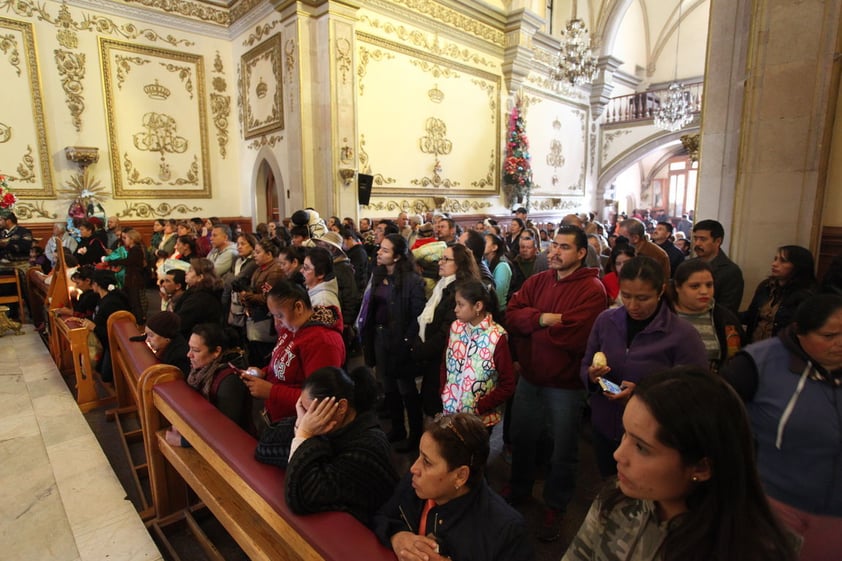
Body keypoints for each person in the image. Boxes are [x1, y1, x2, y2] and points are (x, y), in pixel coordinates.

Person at [563, 367, 796, 561]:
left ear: (702, 467)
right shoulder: (615, 500)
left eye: (642, 447)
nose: (618, 455)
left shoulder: (751, 551)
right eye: (626, 434)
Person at [506, 224, 608, 541]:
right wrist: (543, 319)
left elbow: (575, 335)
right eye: (553, 245)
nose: (554, 252)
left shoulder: (592, 289)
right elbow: (511, 315)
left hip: (565, 384)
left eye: (564, 247)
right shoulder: (538, 280)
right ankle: (519, 490)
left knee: (562, 449)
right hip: (531, 377)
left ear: (580, 253)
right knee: (522, 438)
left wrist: (532, 324)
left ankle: (556, 505)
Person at [722, 293, 842, 561]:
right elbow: (720, 422)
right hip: (774, 501)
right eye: (829, 336)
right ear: (800, 333)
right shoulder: (757, 364)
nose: (840, 344)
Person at [582, 255, 707, 478]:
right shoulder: (606, 321)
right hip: (604, 426)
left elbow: (695, 393)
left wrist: (641, 397)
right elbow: (585, 364)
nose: (632, 305)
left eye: (642, 298)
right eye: (626, 296)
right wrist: (591, 376)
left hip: (651, 437)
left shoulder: (682, 334)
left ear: (660, 292)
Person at [374, 413, 533, 561]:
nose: (413, 468)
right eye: (419, 455)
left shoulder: (507, 532)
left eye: (427, 462)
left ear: (460, 476)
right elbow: (383, 515)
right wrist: (397, 535)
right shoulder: (415, 483)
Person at [283, 366, 399, 526]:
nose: (306, 418)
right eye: (303, 411)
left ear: (342, 407)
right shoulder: (333, 430)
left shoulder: (366, 447)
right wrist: (300, 428)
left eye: (310, 412)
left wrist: (304, 434)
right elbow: (266, 445)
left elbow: (300, 496)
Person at [240, 281, 345, 423]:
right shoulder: (293, 327)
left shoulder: (323, 342)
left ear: (299, 307)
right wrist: (264, 372)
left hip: (298, 424)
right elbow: (285, 363)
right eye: (274, 316)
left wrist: (271, 391)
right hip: (278, 418)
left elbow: (319, 400)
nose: (277, 322)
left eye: (280, 315)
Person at [415, 244, 481, 420]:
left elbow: (447, 331)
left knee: (440, 411)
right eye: (440, 258)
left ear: (459, 264)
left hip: (444, 360)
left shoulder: (460, 291)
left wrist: (420, 350)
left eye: (446, 259)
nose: (440, 263)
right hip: (433, 357)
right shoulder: (443, 285)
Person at [440, 280, 514, 428]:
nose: (455, 309)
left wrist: (479, 406)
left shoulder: (496, 337)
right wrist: (444, 392)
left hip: (479, 420)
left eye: (461, 304)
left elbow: (508, 384)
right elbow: (445, 364)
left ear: (478, 306)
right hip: (451, 412)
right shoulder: (456, 328)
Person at [166, 323, 251, 446]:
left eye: (196, 350)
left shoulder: (229, 381)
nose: (188, 355)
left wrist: (184, 442)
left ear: (216, 351)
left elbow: (226, 430)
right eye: (189, 348)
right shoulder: (200, 371)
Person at [671, 259, 745, 374]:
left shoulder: (725, 318)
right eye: (695, 286)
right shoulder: (664, 316)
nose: (704, 291)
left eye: (709, 285)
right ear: (677, 287)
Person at [740, 245, 817, 344]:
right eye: (775, 259)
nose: (774, 264)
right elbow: (751, 315)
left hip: (781, 351)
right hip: (754, 346)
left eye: (783, 261)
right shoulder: (766, 286)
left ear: (798, 266)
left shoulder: (805, 296)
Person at [68, 269, 130, 383]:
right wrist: (82, 320)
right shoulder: (103, 299)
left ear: (96, 284)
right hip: (105, 341)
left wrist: (94, 328)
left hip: (114, 344)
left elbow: (116, 331)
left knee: (105, 375)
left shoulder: (112, 302)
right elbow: (97, 318)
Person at [239, 239, 284, 367]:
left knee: (263, 354)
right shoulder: (260, 269)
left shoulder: (274, 271)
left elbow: (268, 298)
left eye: (258, 252)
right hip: (256, 316)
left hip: (265, 318)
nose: (254, 255)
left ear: (269, 254)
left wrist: (247, 296)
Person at [691, 219, 744, 314]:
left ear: (718, 241)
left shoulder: (731, 272)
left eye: (703, 239)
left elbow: (727, 310)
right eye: (695, 238)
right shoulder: (688, 266)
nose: (697, 243)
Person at [173, 258, 223, 338]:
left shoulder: (200, 299)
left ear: (200, 277)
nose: (186, 273)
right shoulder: (197, 293)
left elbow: (181, 323)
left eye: (190, 271)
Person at [107, 229, 147, 324]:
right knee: (130, 298)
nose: (124, 240)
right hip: (131, 277)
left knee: (135, 300)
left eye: (126, 238)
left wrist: (116, 262)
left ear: (132, 239)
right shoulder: (134, 249)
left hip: (134, 278)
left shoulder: (136, 250)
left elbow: (129, 262)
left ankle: (139, 321)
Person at [600, 238, 635, 307]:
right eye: (618, 264)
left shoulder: (643, 278)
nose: (623, 267)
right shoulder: (608, 280)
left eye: (627, 262)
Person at [484, 233, 512, 310]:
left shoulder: (502, 266)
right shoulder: (485, 262)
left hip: (500, 311)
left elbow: (498, 297)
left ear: (494, 247)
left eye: (485, 241)